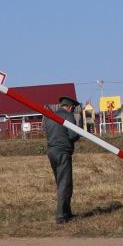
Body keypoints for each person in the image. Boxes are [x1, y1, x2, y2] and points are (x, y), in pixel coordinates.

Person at [45, 95, 82, 225]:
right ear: (71, 107)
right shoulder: (68, 116)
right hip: (63, 152)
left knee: (61, 182)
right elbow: (73, 136)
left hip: (51, 152)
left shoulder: (49, 116)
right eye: (73, 108)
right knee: (65, 183)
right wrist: (79, 131)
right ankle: (61, 216)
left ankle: (67, 212)